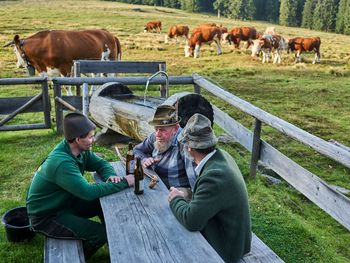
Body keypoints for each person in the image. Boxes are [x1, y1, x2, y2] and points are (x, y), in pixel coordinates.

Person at [26, 112, 134, 259]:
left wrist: (111, 177)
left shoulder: (79, 151)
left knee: (100, 203)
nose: (93, 140)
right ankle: (74, 257)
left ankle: (115, 241)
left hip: (65, 202)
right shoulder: (62, 162)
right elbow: (87, 192)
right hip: (47, 216)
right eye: (90, 136)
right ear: (78, 139)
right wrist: (124, 182)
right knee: (100, 234)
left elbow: (102, 163)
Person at [168, 113, 251, 263]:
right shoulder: (221, 156)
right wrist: (187, 194)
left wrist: (176, 198)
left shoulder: (214, 177)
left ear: (189, 148)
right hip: (235, 238)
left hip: (227, 249)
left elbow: (192, 221)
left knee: (173, 238)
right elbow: (210, 197)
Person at [133, 105, 196, 195]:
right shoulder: (155, 136)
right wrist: (144, 159)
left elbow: (194, 179)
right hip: (156, 183)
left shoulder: (185, 144)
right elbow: (137, 150)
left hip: (179, 189)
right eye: (156, 129)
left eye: (162, 130)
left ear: (175, 129)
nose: (158, 134)